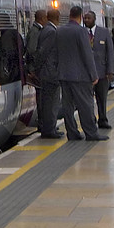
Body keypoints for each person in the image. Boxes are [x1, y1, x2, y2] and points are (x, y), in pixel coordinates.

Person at [56, 6, 107, 141]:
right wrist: (94, 75)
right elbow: (87, 54)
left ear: (69, 15)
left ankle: (72, 133)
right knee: (85, 105)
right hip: (80, 76)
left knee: (68, 107)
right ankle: (91, 133)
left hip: (64, 75)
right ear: (80, 16)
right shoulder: (81, 31)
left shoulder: (59, 31)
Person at [33, 9, 63, 139]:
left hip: (46, 72)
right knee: (51, 103)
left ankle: (50, 127)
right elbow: (42, 52)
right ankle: (49, 130)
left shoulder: (46, 29)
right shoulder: (51, 31)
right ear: (58, 17)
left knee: (48, 102)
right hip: (50, 74)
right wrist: (38, 69)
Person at [83, 11, 114, 129]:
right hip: (86, 74)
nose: (86, 20)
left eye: (89, 18)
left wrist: (110, 70)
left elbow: (110, 52)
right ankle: (91, 120)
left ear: (94, 19)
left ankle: (103, 119)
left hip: (102, 72)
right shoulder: (81, 33)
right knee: (88, 99)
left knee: (102, 98)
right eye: (85, 18)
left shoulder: (104, 32)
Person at [25, 10, 48, 131]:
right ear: (42, 18)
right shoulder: (35, 31)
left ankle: (44, 124)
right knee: (42, 99)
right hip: (37, 71)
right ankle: (43, 124)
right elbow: (32, 50)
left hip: (38, 70)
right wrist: (34, 69)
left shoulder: (37, 30)